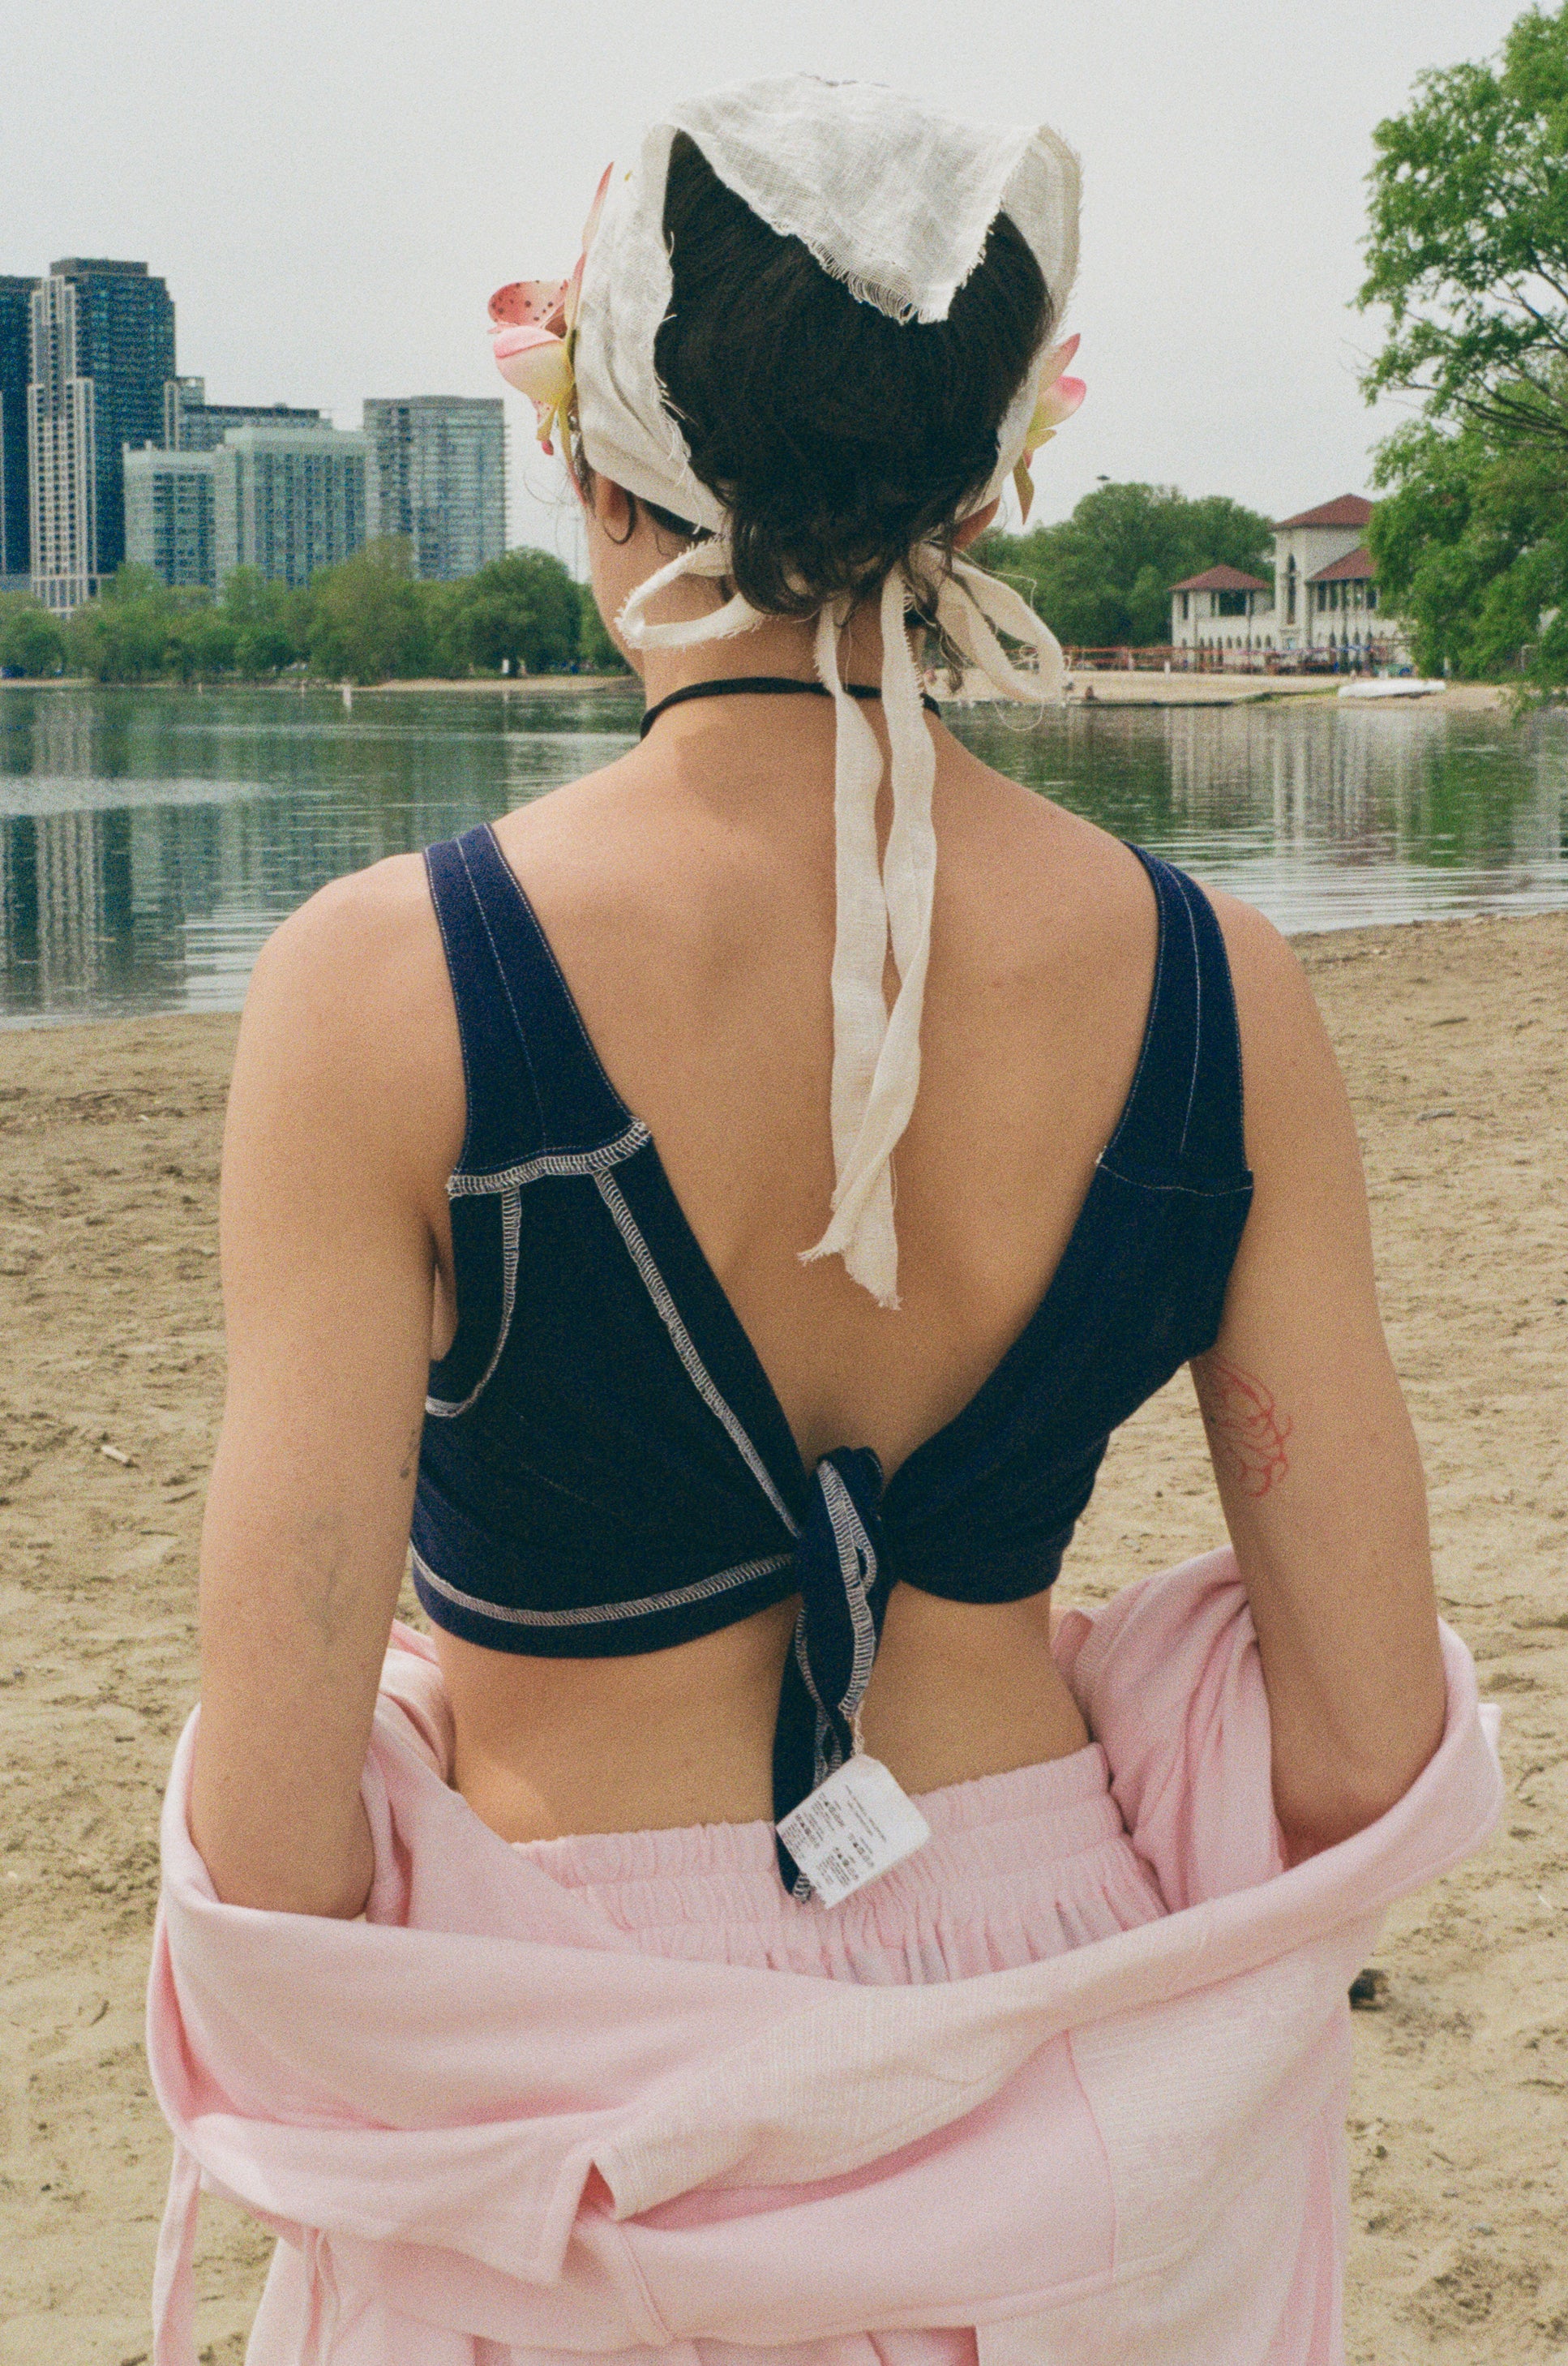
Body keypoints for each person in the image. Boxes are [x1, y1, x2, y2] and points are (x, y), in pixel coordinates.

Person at [155, 78, 1493, 2366]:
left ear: (591, 463)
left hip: (573, 2072)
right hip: (1072, 2075)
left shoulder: (388, 992)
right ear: (988, 479)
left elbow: (272, 1856)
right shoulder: (1217, 987)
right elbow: (1366, 1744)